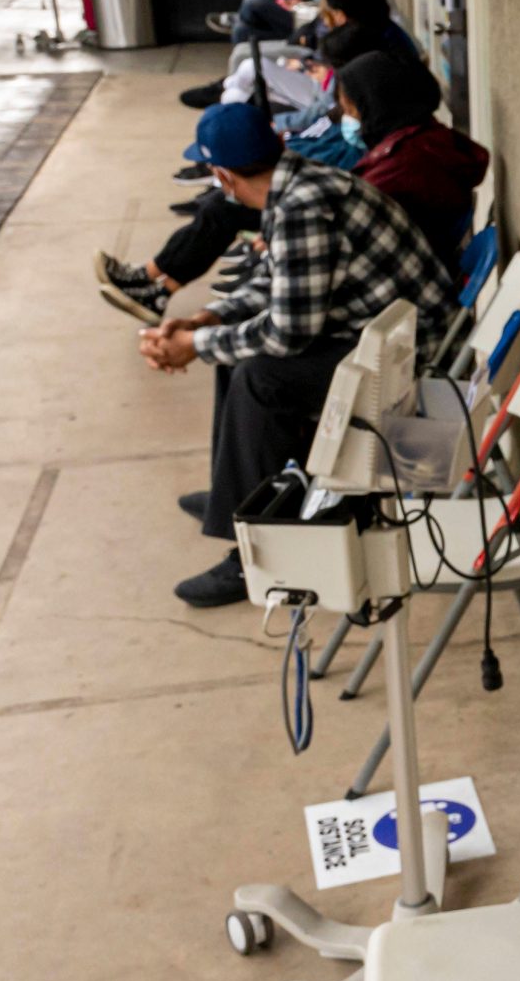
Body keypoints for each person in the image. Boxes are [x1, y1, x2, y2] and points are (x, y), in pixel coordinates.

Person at [142, 102, 456, 607]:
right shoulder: (298, 184)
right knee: (238, 357)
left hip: (407, 360)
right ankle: (238, 499)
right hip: (375, 337)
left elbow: (289, 333)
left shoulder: (302, 207)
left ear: (221, 176)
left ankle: (261, 555)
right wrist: (210, 320)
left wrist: (193, 347)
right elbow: (275, 284)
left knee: (260, 377)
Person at [100, 25, 404, 323]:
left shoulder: (360, 147)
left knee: (221, 209)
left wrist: (199, 335)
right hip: (290, 163)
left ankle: (153, 281)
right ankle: (156, 284)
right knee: (218, 207)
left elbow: (288, 327)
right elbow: (318, 126)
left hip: (297, 177)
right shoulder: (341, 114)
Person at [335, 53, 488, 272]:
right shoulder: (427, 140)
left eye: (352, 109)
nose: (350, 119)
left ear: (378, 103)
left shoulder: (402, 165)